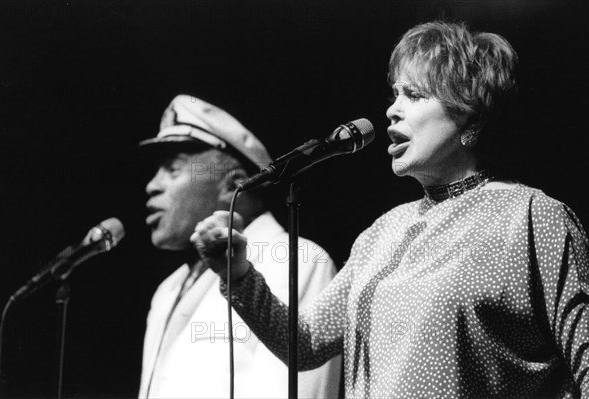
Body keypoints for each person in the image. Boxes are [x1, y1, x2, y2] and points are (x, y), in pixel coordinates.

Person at [191, 21, 589, 398]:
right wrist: (238, 274)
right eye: (395, 94)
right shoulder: (384, 231)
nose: (391, 110)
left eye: (414, 95)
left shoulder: (533, 218)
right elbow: (305, 343)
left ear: (471, 115)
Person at [137, 95, 341, 399]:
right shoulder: (169, 288)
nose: (152, 185)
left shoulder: (296, 259)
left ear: (232, 184)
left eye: (174, 169)